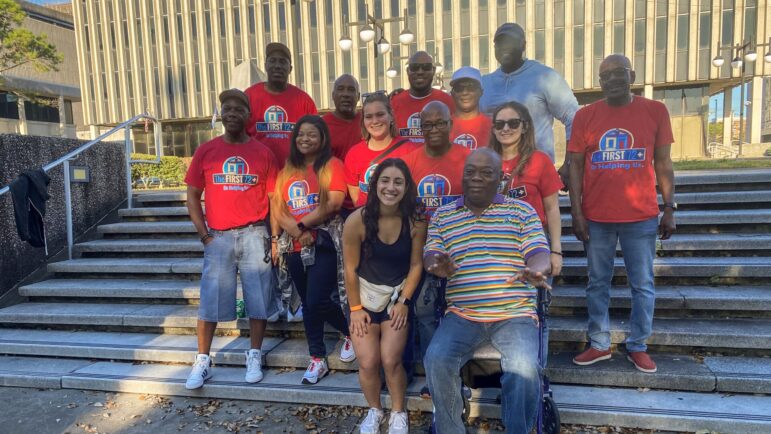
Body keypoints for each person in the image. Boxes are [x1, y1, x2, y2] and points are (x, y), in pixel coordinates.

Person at [423, 148, 552, 433]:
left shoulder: (520, 211)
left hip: (514, 313)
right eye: (470, 172)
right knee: (436, 358)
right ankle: (450, 428)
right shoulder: (444, 215)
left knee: (523, 367)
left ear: (501, 180)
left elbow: (539, 253)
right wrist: (435, 265)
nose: (476, 178)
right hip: (462, 314)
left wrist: (538, 269)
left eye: (486, 172)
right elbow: (431, 254)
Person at [568, 54, 676, 374]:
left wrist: (669, 207)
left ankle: (638, 344)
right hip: (597, 216)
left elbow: (664, 163)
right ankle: (599, 343)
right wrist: (576, 212)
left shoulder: (655, 111)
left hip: (641, 216)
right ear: (599, 82)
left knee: (642, 283)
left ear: (632, 75)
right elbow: (574, 165)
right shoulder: (585, 116)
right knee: (597, 282)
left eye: (619, 73)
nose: (613, 79)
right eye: (605, 76)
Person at [184, 89, 279, 389]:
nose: (233, 112)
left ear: (249, 115)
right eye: (227, 107)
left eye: (239, 108)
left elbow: (274, 200)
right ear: (221, 113)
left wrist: (274, 238)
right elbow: (192, 195)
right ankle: (202, 360)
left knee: (259, 299)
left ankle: (254, 354)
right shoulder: (206, 150)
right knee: (210, 300)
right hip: (219, 237)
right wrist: (204, 235)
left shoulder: (263, 153)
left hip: (254, 233)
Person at [342, 158, 427, 434]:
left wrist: (404, 302)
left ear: (406, 187)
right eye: (385, 180)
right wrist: (355, 308)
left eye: (398, 182)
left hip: (395, 298)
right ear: (375, 184)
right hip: (363, 297)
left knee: (390, 360)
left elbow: (417, 265)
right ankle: (375, 409)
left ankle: (399, 411)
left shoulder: (414, 221)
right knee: (368, 361)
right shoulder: (357, 220)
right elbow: (350, 269)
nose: (391, 187)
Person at [271, 115, 356, 384]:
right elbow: (277, 208)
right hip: (295, 245)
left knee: (319, 299)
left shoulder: (332, 165)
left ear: (322, 139)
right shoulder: (287, 170)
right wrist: (297, 232)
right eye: (301, 134)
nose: (305, 139)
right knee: (308, 302)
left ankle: (351, 332)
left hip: (324, 241)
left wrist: (303, 225)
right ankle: (317, 358)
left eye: (312, 134)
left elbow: (333, 203)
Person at [401, 101, 469, 397]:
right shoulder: (411, 161)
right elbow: (405, 208)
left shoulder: (468, 158)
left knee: (464, 313)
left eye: (440, 123)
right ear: (420, 129)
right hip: (423, 249)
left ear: (450, 124)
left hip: (463, 247)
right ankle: (434, 376)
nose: (434, 130)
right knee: (425, 312)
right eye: (427, 125)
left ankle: (463, 376)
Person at [480, 22, 578, 185]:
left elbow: (574, 118)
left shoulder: (545, 77)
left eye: (510, 42)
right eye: (500, 43)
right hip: (495, 176)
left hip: (535, 173)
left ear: (523, 45)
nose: (505, 47)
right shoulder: (486, 83)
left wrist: (569, 162)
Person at [489, 101, 563, 279]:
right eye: (499, 124)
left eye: (513, 123)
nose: (505, 128)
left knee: (534, 298)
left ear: (524, 127)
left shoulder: (540, 161)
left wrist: (556, 250)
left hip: (533, 242)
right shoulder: (486, 160)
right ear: (493, 129)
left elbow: (552, 208)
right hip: (495, 240)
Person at [245, 42, 317, 167]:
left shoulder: (304, 101)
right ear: (265, 66)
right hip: (258, 172)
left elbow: (316, 140)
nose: (277, 66)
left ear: (290, 69)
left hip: (294, 175)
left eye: (283, 62)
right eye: (272, 61)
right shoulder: (249, 96)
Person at [344, 93, 417, 208]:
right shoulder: (354, 154)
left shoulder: (410, 150)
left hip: (400, 220)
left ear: (391, 116)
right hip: (367, 221)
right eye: (369, 117)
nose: (375, 121)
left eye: (380, 114)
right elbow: (357, 201)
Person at [391, 51, 455, 144]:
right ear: (408, 71)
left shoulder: (447, 101)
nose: (420, 72)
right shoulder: (394, 102)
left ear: (433, 70)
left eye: (426, 67)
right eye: (414, 67)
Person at [449, 66, 492, 151]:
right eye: (459, 88)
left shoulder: (493, 127)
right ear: (452, 93)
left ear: (481, 92)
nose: (465, 92)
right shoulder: (443, 126)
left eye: (471, 87)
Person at [322, 74, 363, 161]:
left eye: (351, 90)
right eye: (340, 89)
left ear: (358, 96)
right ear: (333, 95)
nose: (345, 94)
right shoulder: (321, 125)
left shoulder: (368, 122)